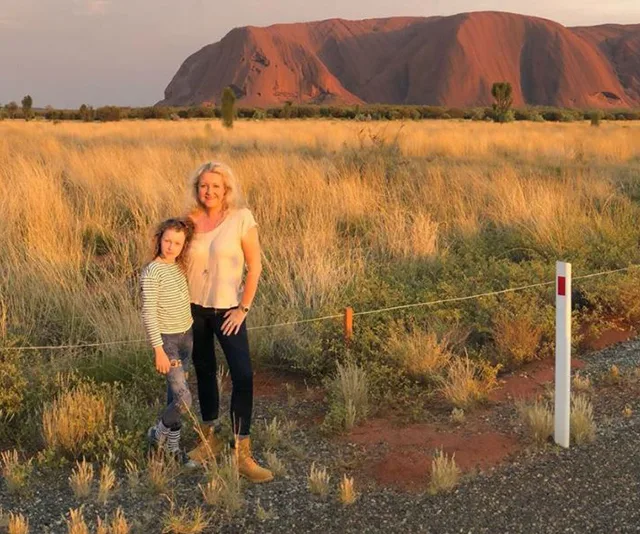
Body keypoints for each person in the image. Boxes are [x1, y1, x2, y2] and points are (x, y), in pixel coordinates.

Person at [185, 161, 273, 483]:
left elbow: (256, 266)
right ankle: (209, 438)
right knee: (205, 372)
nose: (209, 191)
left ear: (226, 191)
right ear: (197, 189)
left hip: (228, 312)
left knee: (243, 375)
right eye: (204, 186)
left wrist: (243, 309)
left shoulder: (240, 219)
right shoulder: (188, 222)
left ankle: (242, 453)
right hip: (194, 310)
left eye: (215, 187)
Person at [141, 217, 197, 467]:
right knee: (184, 399)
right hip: (168, 342)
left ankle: (172, 449)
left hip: (186, 336)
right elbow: (148, 313)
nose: (171, 247)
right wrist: (159, 351)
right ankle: (158, 432)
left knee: (173, 396)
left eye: (177, 243)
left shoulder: (177, 267)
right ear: (159, 240)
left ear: (183, 245)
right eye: (167, 241)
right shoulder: (153, 271)